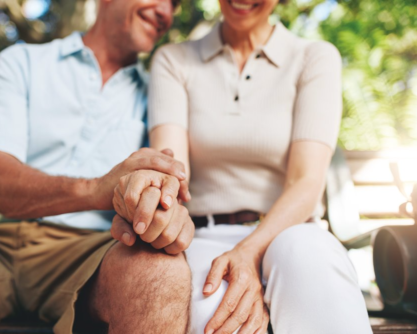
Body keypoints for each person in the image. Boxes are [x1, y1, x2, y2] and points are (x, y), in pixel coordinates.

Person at [0, 1, 197, 333]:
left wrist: (158, 206)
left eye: (174, 3)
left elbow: (166, 176)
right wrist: (96, 189)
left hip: (87, 254)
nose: (166, 11)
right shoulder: (25, 62)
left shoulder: (159, 91)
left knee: (161, 275)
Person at [111, 0, 374, 333]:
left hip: (292, 230)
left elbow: (306, 182)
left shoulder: (314, 58)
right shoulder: (174, 60)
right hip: (204, 237)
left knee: (311, 261)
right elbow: (173, 172)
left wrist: (249, 253)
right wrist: (156, 205)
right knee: (217, 316)